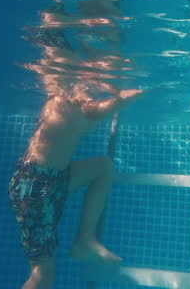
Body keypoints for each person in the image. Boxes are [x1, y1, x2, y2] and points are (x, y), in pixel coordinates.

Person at [8, 85, 142, 289]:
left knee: (103, 167)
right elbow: (115, 102)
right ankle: (83, 241)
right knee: (42, 272)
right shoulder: (80, 105)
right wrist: (128, 93)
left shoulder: (55, 98)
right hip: (36, 188)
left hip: (45, 180)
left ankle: (85, 239)